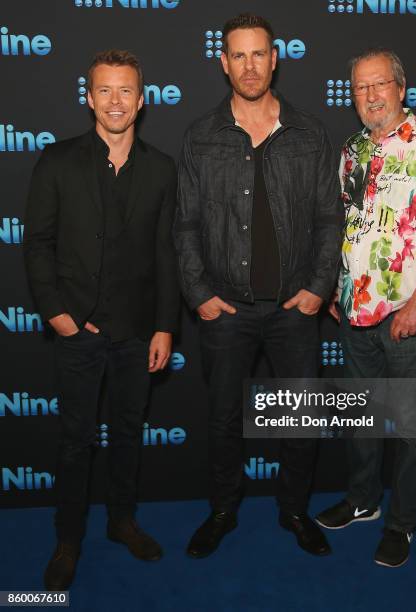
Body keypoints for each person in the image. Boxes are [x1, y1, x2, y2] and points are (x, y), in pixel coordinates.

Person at [174, 13, 343, 559]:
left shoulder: (310, 132)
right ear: (223, 64)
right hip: (226, 309)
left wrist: (320, 286)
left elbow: (327, 220)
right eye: (238, 56)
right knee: (224, 419)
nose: (249, 66)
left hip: (296, 307)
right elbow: (186, 226)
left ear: (276, 59)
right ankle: (223, 509)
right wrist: (199, 295)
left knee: (301, 421)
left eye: (259, 54)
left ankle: (294, 509)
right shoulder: (201, 136)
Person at [23, 49, 180, 590]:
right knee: (75, 440)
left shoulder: (161, 168)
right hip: (78, 332)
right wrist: (58, 315)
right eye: (105, 91)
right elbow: (37, 246)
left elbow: (166, 253)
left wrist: (165, 325)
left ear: (141, 100)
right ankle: (68, 539)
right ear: (90, 97)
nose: (115, 101)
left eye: (126, 91)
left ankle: (121, 522)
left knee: (130, 433)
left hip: (137, 333)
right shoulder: (57, 161)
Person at [316, 48, 416, 567]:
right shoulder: (352, 149)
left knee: (409, 427)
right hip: (355, 312)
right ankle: (363, 502)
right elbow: (348, 226)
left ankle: (402, 524)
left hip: (409, 316)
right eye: (360, 88)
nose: (371, 95)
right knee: (362, 419)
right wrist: (339, 288)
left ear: (401, 88)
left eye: (379, 84)